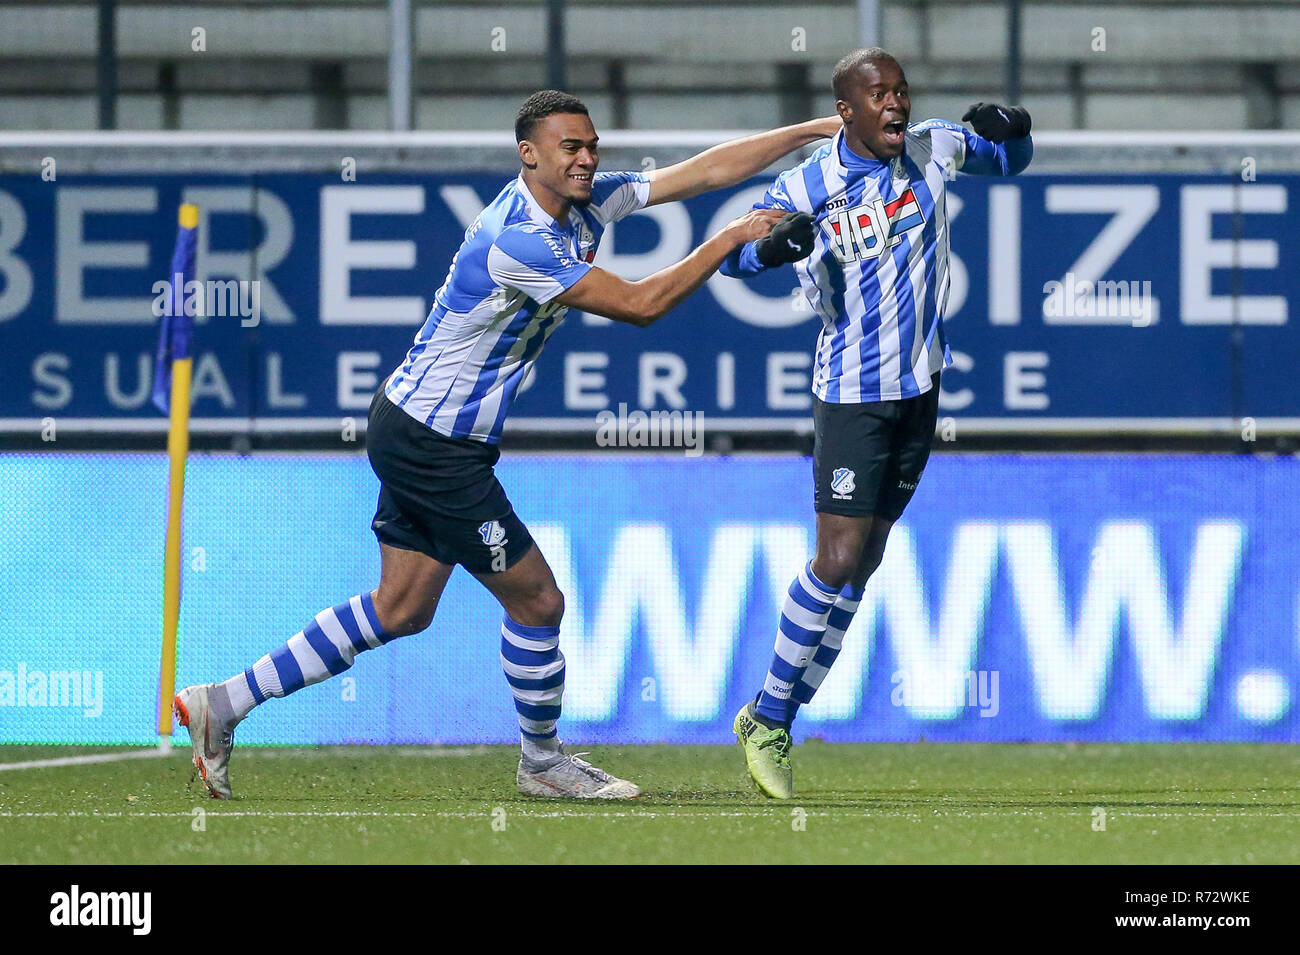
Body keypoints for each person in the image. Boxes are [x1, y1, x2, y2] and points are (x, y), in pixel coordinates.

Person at [173, 90, 833, 800]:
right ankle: (543, 761)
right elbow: (641, 306)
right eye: (568, 148)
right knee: (538, 599)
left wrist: (813, 130)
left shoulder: (587, 202)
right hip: (434, 442)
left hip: (416, 426)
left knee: (401, 608)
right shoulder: (519, 238)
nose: (585, 159)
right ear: (529, 154)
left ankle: (224, 702)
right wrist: (730, 239)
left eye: (590, 145)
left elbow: (700, 173)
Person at [720, 48, 1033, 798]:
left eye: (900, 91)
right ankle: (766, 716)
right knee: (835, 554)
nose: (895, 105)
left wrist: (1014, 129)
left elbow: (1011, 163)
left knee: (864, 564)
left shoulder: (933, 146)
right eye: (878, 95)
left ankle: (780, 714)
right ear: (846, 111)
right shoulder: (806, 185)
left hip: (919, 387)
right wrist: (769, 248)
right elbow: (731, 260)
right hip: (851, 391)